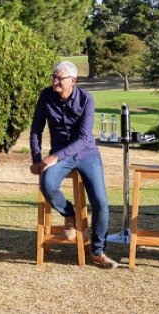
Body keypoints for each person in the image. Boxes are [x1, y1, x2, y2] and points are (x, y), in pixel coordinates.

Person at [30, 61, 119, 269]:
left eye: (60, 78)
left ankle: (98, 251)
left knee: (101, 203)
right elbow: (36, 129)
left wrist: (54, 158)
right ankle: (70, 214)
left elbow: (82, 139)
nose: (55, 81)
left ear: (73, 81)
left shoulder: (87, 99)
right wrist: (36, 159)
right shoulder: (46, 96)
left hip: (86, 153)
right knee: (47, 184)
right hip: (61, 155)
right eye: (53, 76)